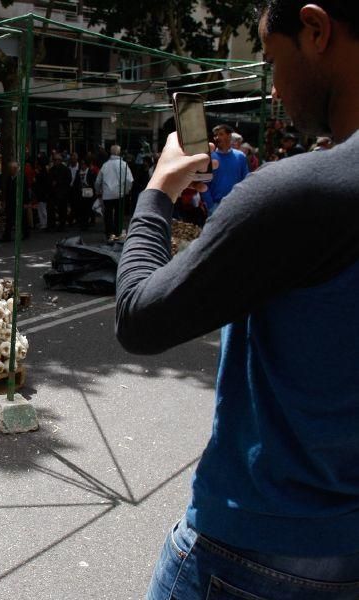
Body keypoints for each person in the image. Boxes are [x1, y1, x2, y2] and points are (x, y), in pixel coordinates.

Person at [116, 2, 359, 598]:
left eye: (273, 59)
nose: (274, 88)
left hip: (252, 549)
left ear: (316, 29)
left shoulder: (297, 194)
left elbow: (140, 316)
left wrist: (156, 194)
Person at [202, 124, 251, 215]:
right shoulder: (209, 158)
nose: (217, 137)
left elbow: (246, 181)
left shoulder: (240, 157)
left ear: (229, 136)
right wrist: (211, 205)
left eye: (220, 134)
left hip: (236, 206)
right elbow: (204, 184)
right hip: (216, 207)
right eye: (215, 135)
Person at [94, 145, 133, 240]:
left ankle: (109, 234)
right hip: (120, 193)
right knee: (118, 215)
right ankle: (117, 233)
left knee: (108, 215)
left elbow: (98, 181)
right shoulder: (123, 164)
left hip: (107, 194)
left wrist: (98, 190)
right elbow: (129, 180)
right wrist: (126, 190)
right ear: (119, 153)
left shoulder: (105, 165)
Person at [0, 160, 29, 242]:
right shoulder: (10, 177)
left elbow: (25, 190)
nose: (9, 170)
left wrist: (26, 202)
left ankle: (26, 233)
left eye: (11, 169)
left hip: (19, 201)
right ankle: (7, 236)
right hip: (10, 201)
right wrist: (4, 200)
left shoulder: (21, 177)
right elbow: (7, 190)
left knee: (22, 218)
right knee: (9, 219)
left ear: (15, 169)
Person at [47, 150, 72, 231]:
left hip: (62, 193)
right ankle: (52, 225)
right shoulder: (52, 170)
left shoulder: (65, 169)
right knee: (51, 209)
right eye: (54, 160)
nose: (55, 161)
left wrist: (58, 182)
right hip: (53, 193)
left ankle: (62, 225)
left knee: (62, 210)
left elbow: (68, 180)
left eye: (56, 160)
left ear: (60, 161)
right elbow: (49, 180)